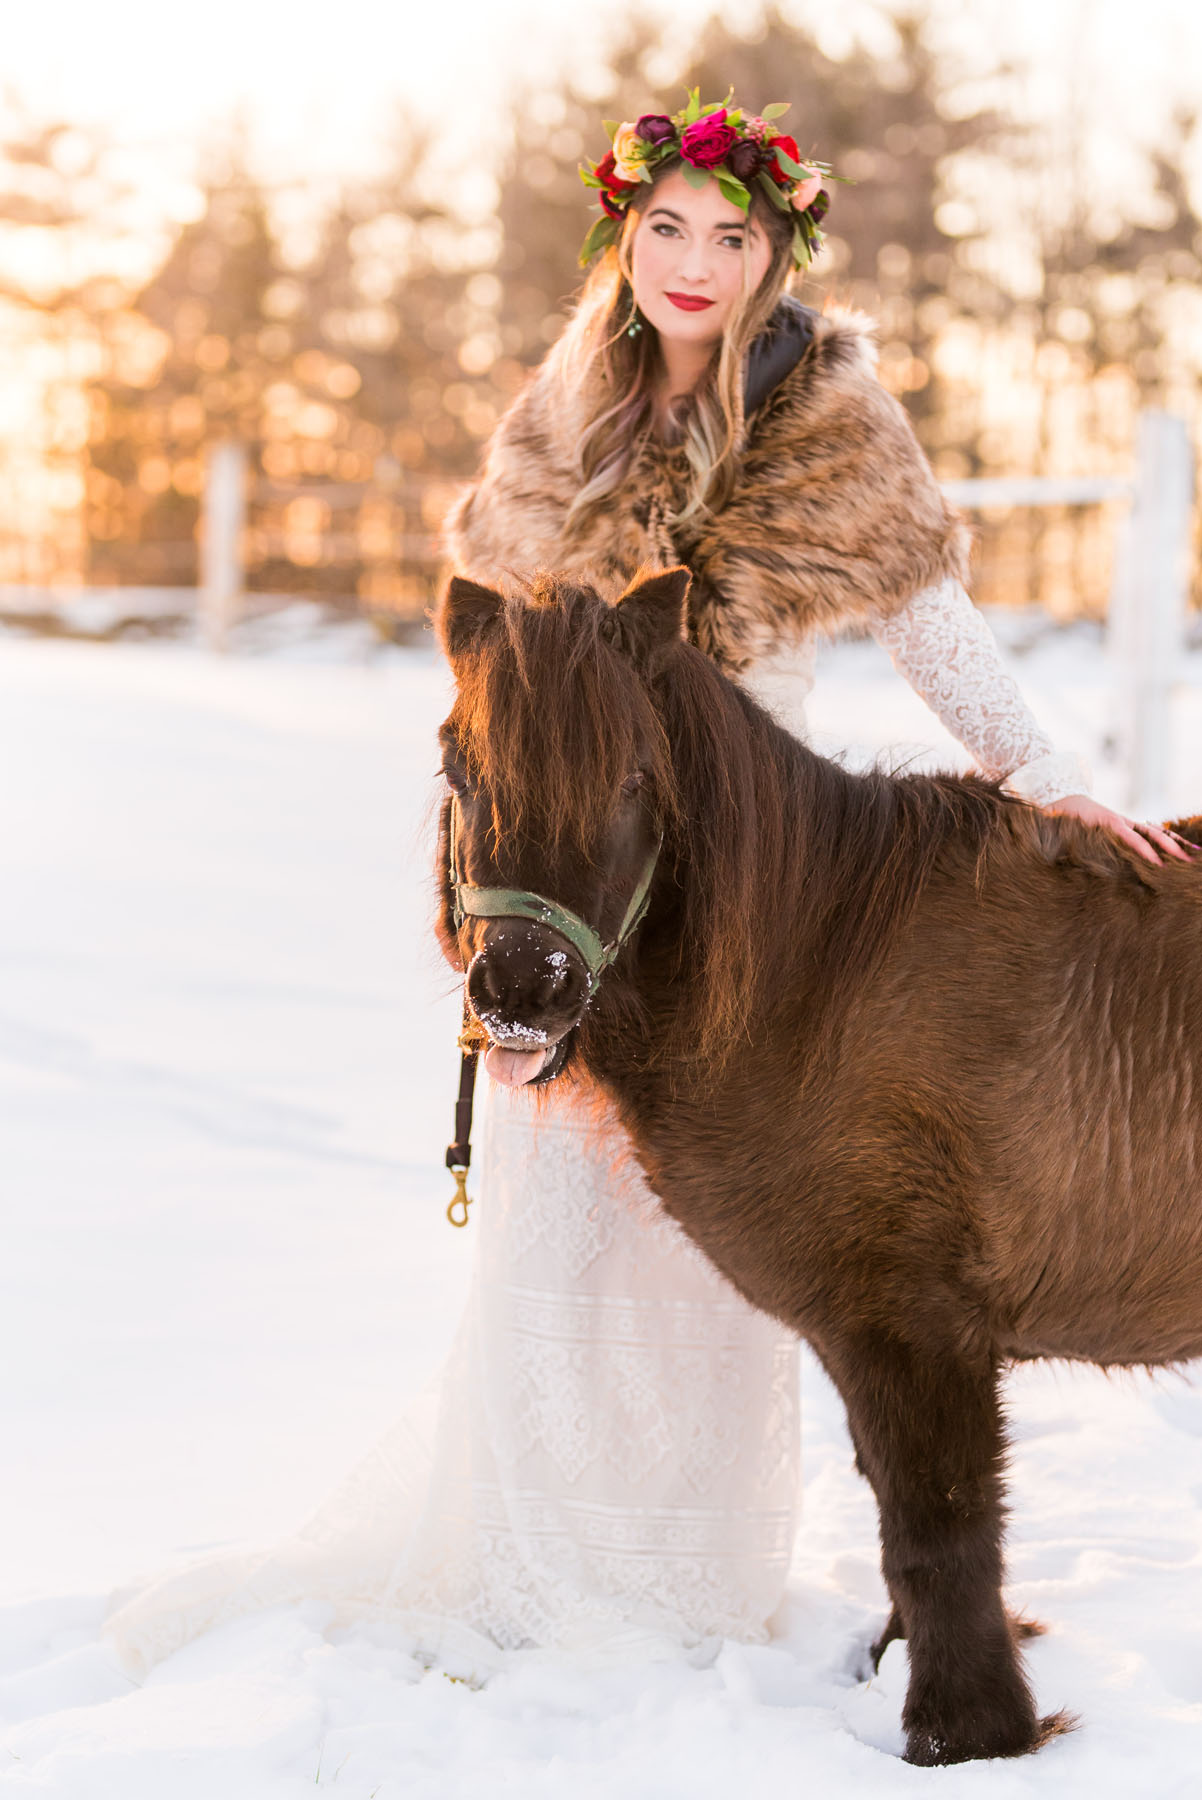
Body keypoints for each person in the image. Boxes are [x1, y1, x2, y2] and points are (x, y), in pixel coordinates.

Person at [107, 91, 1187, 1679]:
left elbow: (931, 625)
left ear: (771, 255)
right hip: (580, 873)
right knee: (562, 1232)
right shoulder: (555, 426)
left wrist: (1041, 774)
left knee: (744, 1244)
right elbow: (493, 684)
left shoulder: (829, 419)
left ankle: (696, 1588)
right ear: (624, 240)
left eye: (730, 236)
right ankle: (550, 1578)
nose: (693, 263)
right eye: (665, 229)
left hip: (763, 885)